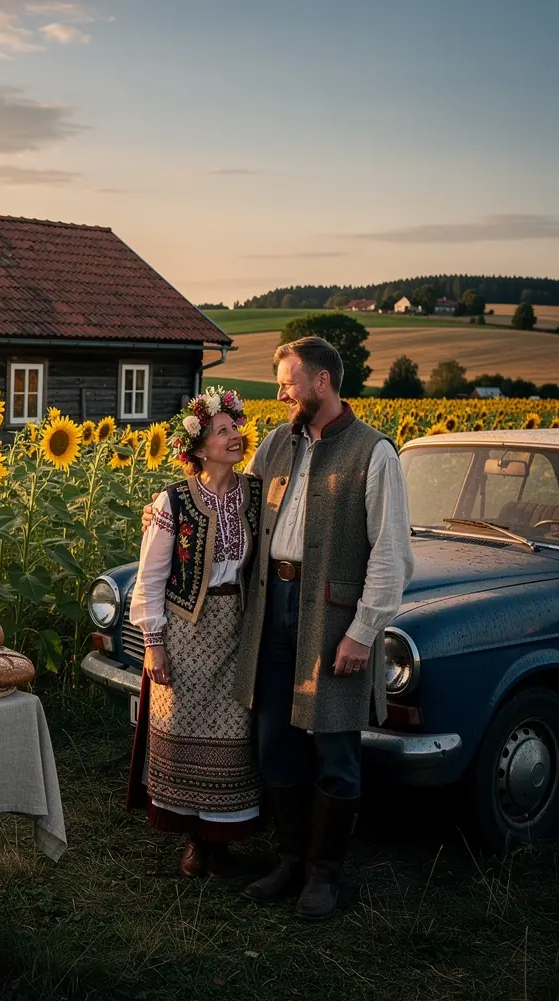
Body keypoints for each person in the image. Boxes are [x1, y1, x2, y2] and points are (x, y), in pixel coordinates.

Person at [141, 337, 412, 919]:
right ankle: (289, 859)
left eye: (289, 382)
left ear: (322, 382)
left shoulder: (374, 453)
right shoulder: (275, 444)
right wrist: (167, 508)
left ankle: (325, 875)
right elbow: (226, 494)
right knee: (274, 741)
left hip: (333, 615)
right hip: (269, 611)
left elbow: (392, 553)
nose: (282, 392)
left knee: (335, 746)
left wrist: (363, 631)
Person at [126, 386, 264, 878]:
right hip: (186, 632)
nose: (235, 437)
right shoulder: (173, 500)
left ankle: (221, 841)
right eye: (223, 431)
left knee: (235, 731)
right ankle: (192, 839)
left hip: (238, 630)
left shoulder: (256, 494)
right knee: (182, 725)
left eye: (236, 429)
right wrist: (154, 645)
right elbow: (151, 577)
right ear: (199, 448)